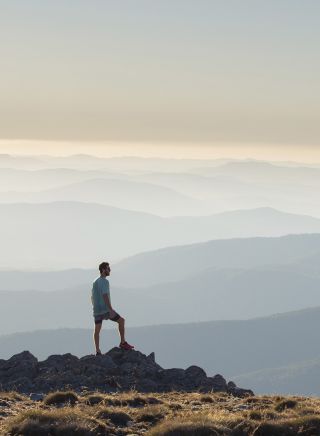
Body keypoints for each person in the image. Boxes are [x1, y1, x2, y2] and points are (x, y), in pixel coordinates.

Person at [91, 261, 134, 355]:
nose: (110, 270)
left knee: (97, 330)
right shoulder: (104, 281)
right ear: (103, 270)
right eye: (108, 268)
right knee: (121, 321)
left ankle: (97, 351)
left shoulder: (95, 281)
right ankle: (123, 342)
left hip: (97, 310)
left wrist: (94, 307)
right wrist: (110, 309)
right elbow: (105, 295)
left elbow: (92, 296)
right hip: (105, 310)